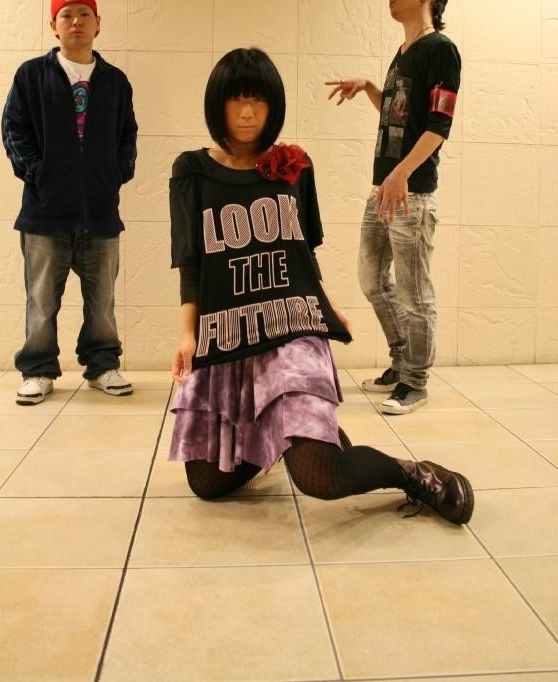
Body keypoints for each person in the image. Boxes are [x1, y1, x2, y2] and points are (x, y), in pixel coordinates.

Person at [167, 47, 473, 525]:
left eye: (258, 100)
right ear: (217, 103)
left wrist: (326, 305)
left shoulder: (294, 164)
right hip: (228, 333)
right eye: (236, 99)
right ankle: (296, 433)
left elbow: (302, 250)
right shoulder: (191, 170)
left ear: (273, 105)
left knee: (320, 477)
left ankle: (413, 473)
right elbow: (191, 261)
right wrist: (188, 334)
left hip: (291, 326)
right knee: (206, 484)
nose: (247, 112)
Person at [327, 0, 460, 415]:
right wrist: (371, 88)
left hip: (412, 192)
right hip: (386, 187)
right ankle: (402, 363)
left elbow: (438, 127)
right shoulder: (404, 52)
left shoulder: (442, 50)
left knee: (414, 293)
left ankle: (415, 382)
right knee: (372, 279)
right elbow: (400, 116)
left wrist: (402, 173)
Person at [2, 0, 137, 405]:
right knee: (41, 301)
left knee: (102, 303)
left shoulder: (115, 81)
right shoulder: (31, 76)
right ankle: (38, 370)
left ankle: (102, 366)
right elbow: (14, 130)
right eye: (66, 15)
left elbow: (127, 135)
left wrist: (116, 174)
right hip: (45, 214)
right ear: (54, 25)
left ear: (98, 24)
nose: (76, 21)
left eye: (84, 14)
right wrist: (38, 174)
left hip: (100, 211)